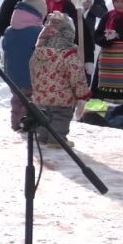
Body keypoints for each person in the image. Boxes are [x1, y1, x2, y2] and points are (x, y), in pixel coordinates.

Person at [29, 12, 91, 147]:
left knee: (44, 116)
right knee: (60, 117)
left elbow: (32, 70)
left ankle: (43, 137)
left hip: (42, 95)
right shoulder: (67, 54)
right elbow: (77, 76)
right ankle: (57, 140)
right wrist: (82, 95)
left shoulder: (38, 52)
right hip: (62, 97)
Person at [1, 0, 47, 131]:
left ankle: (15, 124)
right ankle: (24, 125)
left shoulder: (9, 31)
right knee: (29, 103)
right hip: (31, 76)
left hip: (13, 75)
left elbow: (5, 48)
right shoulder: (39, 32)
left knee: (16, 101)